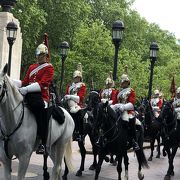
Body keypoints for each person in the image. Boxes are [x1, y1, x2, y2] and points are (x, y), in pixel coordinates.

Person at [13, 43, 54, 154]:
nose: (38, 57)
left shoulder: (49, 68)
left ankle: (41, 140)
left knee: (39, 110)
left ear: (45, 55)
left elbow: (44, 84)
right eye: (37, 54)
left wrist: (26, 89)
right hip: (28, 96)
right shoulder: (32, 67)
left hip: (41, 97)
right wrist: (11, 81)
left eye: (40, 55)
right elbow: (25, 82)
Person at [110, 74, 140, 151]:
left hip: (127, 110)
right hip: (118, 109)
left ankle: (133, 141)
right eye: (123, 82)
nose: (124, 84)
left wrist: (124, 107)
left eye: (125, 82)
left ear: (128, 83)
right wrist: (114, 106)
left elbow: (132, 102)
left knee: (130, 119)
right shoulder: (118, 91)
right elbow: (114, 101)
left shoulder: (131, 91)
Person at [64, 66, 87, 141]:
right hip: (68, 104)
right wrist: (64, 98)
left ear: (80, 78)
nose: (76, 79)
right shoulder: (70, 86)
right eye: (75, 77)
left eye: (78, 77)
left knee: (78, 114)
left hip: (78, 105)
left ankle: (80, 133)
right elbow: (66, 94)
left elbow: (80, 98)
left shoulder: (82, 86)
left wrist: (70, 96)